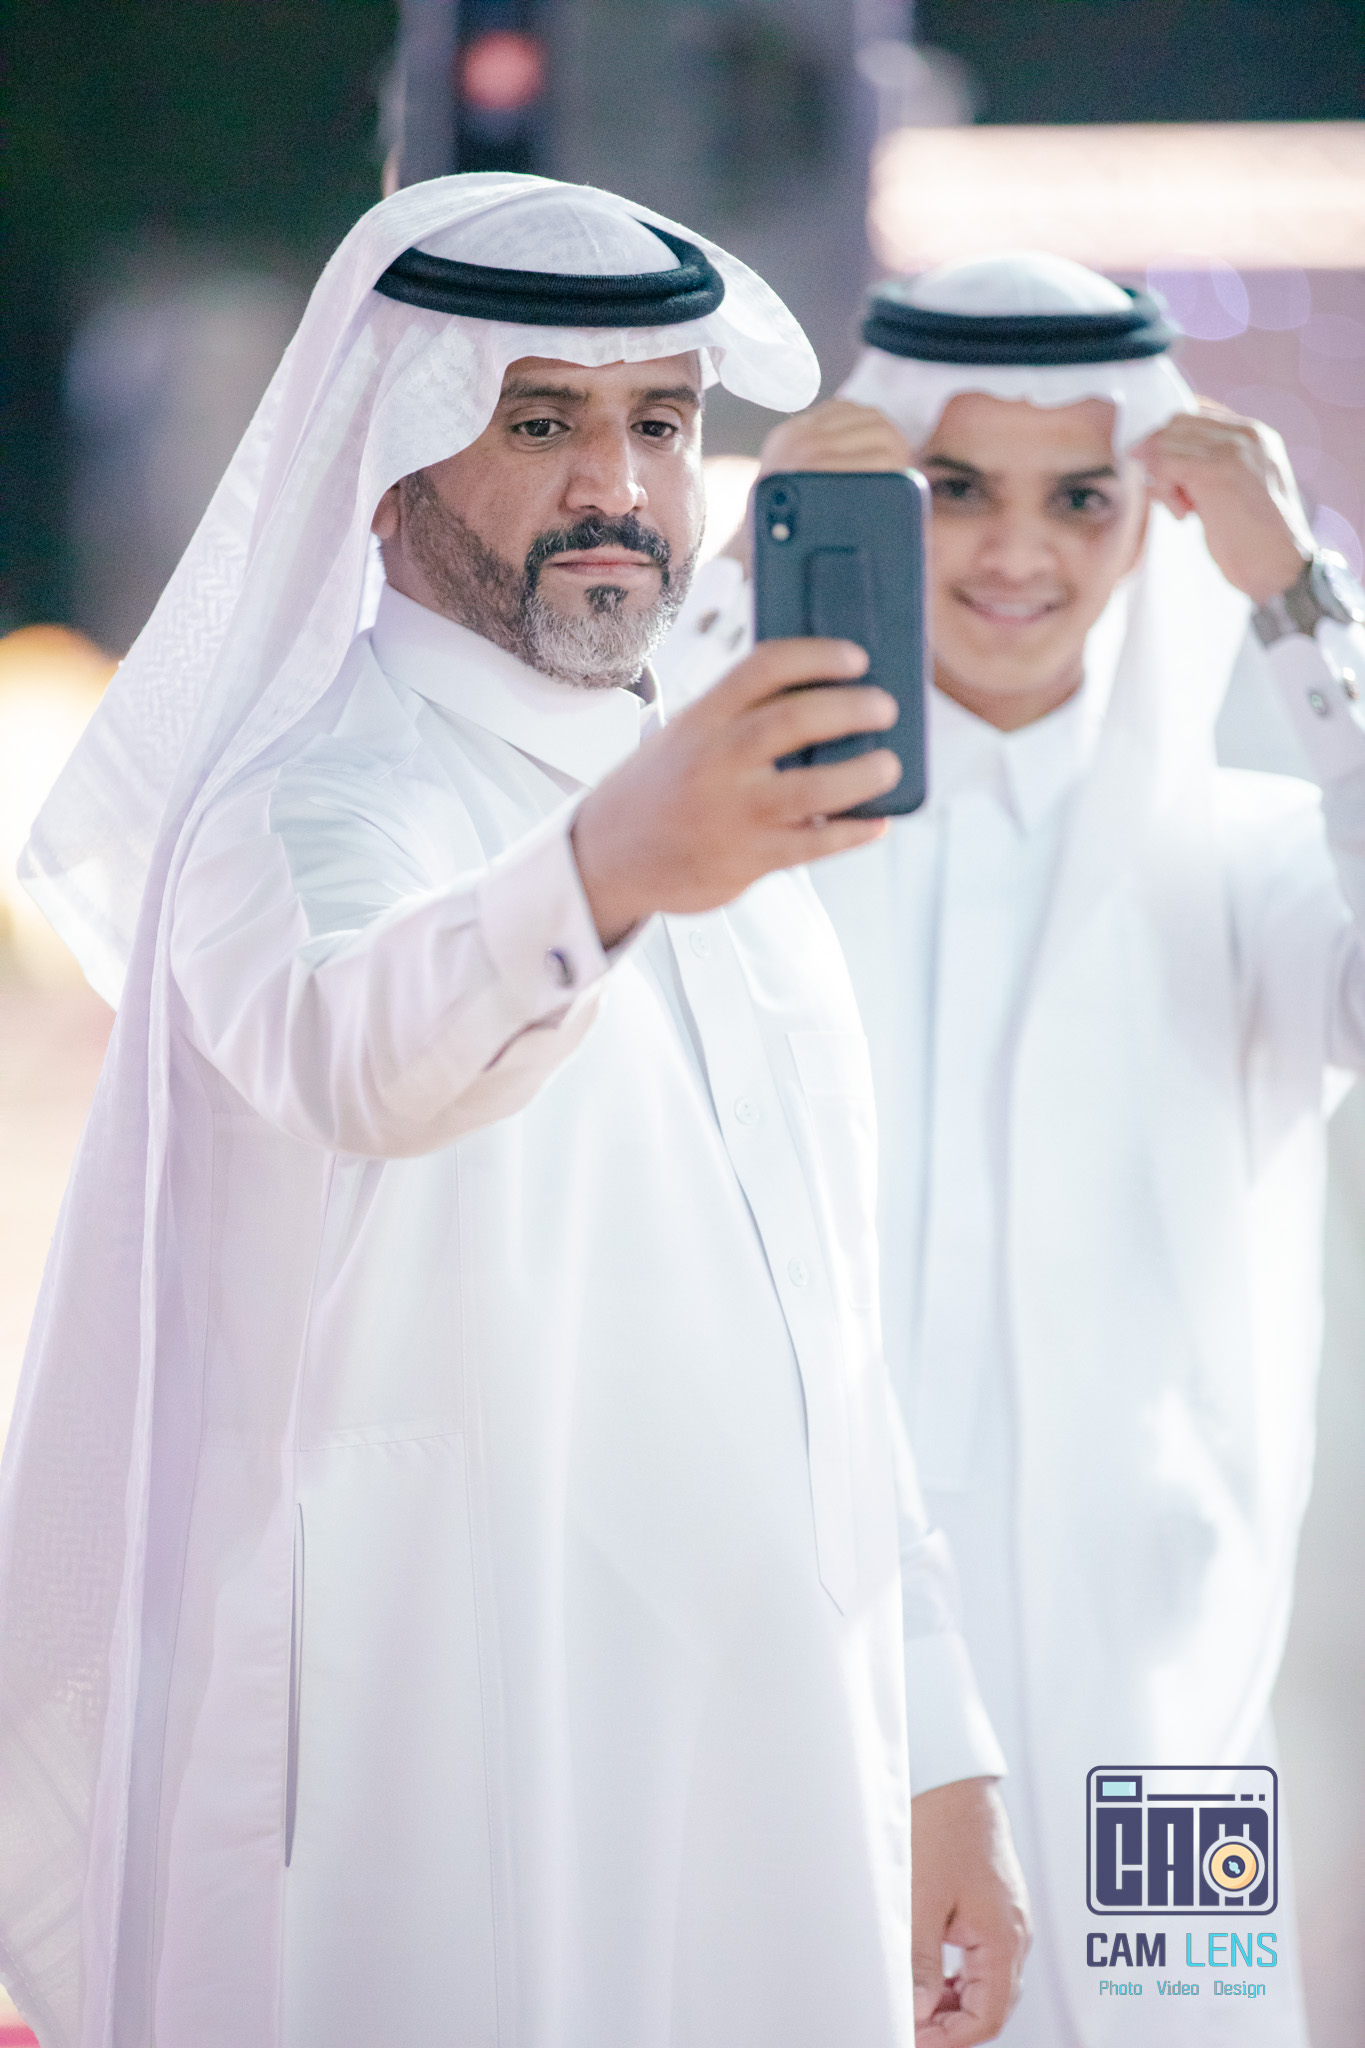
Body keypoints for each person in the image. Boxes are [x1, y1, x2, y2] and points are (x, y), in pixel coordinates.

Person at [0, 179, 1031, 2048]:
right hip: (439, 1781)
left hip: (774, 1764)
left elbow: (827, 1334)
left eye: (661, 425)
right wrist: (605, 872)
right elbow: (361, 1051)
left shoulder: (719, 814)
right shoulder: (305, 804)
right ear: (388, 465)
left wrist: (942, 1748)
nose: (615, 488)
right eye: (540, 423)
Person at [657, 252, 1365, 2046]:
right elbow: (578, 887)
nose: (1013, 553)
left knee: (1179, 2020)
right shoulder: (741, 857)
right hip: (815, 1644)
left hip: (1168, 1689)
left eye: (1079, 498)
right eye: (952, 488)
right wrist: (740, 575)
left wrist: (1299, 604)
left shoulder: (1250, 856)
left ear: (1158, 519)